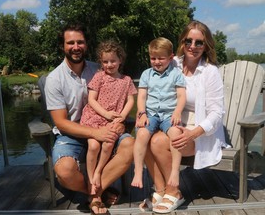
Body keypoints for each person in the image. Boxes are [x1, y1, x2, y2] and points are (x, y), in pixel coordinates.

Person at [44, 23, 135, 215]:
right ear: (63, 46)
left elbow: (124, 99)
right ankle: (93, 193)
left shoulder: (101, 69)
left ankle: (96, 191)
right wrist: (96, 132)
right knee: (65, 170)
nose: (76, 47)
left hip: (107, 125)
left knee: (131, 146)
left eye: (80, 42)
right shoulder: (54, 79)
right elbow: (60, 122)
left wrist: (120, 122)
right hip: (71, 133)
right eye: (70, 43)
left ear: (86, 45)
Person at [139, 20, 228, 214]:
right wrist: (143, 113)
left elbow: (216, 112)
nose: (193, 47)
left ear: (206, 46)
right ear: (182, 42)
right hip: (170, 120)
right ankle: (162, 189)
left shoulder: (210, 72)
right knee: (144, 137)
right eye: (189, 41)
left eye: (199, 43)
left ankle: (174, 191)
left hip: (199, 129)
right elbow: (152, 88)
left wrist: (193, 133)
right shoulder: (173, 64)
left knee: (158, 143)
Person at [80, 40, 137, 195]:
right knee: (93, 146)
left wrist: (122, 116)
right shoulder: (99, 77)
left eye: (113, 61)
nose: (109, 64)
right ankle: (91, 179)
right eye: (105, 61)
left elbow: (131, 100)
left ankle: (98, 171)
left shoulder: (126, 80)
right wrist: (105, 113)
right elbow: (91, 99)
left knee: (108, 144)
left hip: (113, 121)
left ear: (120, 60)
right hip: (94, 117)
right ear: (101, 62)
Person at [131, 37, 186, 189]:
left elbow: (181, 96)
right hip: (151, 114)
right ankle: (137, 171)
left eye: (161, 58)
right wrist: (141, 113)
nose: (156, 62)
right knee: (141, 134)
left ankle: (175, 171)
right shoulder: (146, 74)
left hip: (169, 114)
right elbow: (141, 96)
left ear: (171, 57)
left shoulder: (176, 74)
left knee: (175, 133)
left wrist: (177, 112)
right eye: (153, 58)